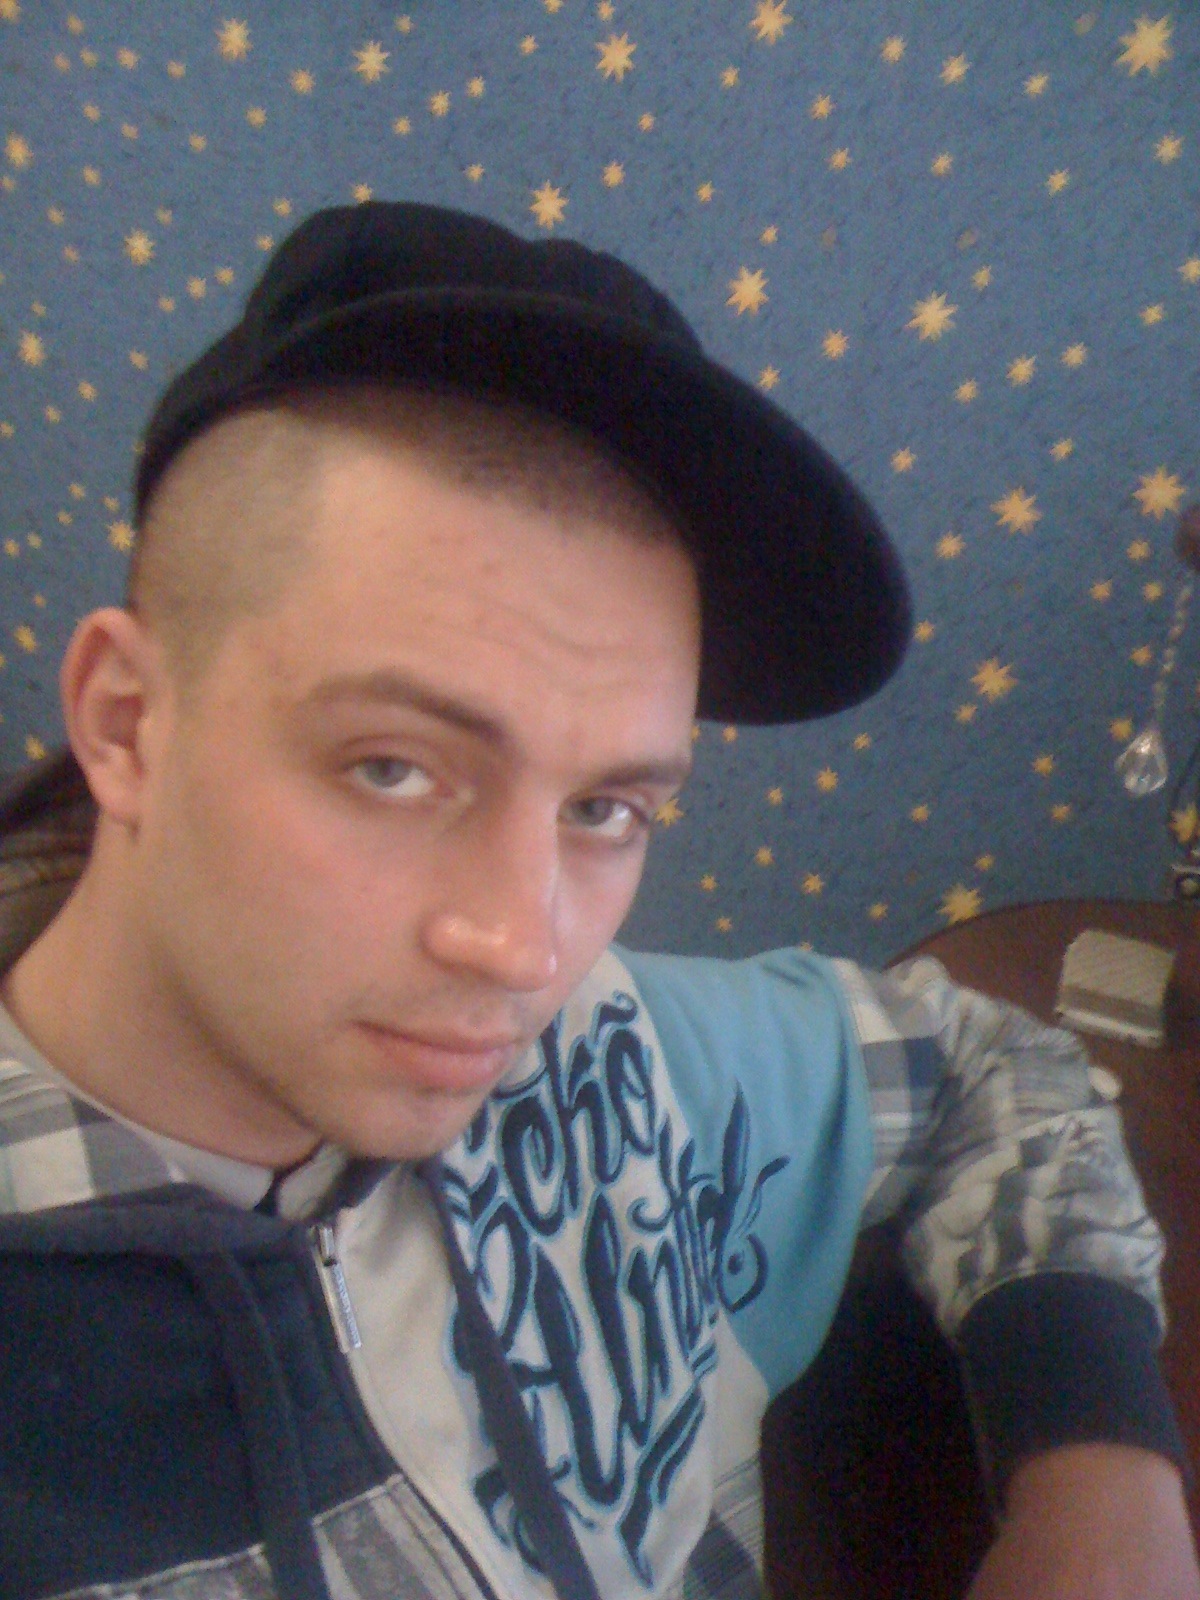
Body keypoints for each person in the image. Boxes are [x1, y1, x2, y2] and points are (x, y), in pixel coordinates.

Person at [0, 200, 1195, 1600]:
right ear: (126, 723)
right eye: (392, 768)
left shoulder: (616, 1059)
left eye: (606, 810)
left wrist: (1099, 1471)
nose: (524, 949)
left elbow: (990, 1064)